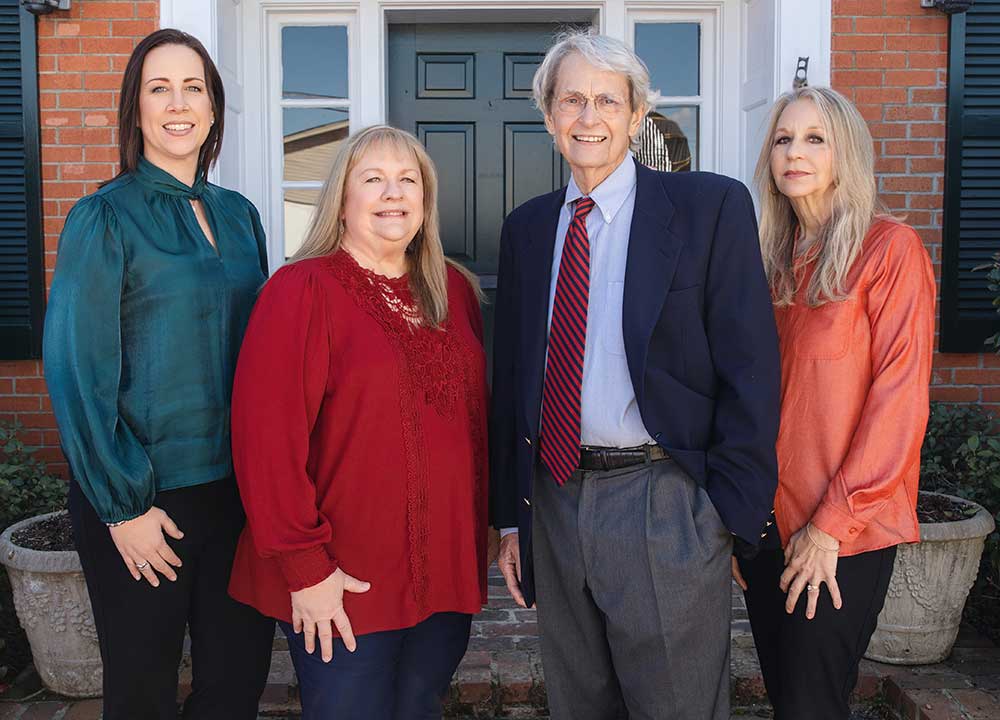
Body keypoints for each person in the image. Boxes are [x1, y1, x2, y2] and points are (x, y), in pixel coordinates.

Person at [489, 31, 781, 720]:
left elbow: (752, 367)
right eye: (571, 101)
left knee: (675, 706)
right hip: (555, 498)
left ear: (636, 114)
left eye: (606, 101)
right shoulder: (528, 229)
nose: (588, 117)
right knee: (578, 701)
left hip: (665, 501)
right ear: (549, 116)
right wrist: (509, 518)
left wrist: (727, 517)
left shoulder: (708, 210)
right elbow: (513, 382)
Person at [43, 29, 275, 720]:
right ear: (135, 109)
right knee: (142, 694)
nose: (179, 103)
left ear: (213, 108)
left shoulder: (241, 217)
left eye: (193, 86)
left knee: (235, 687)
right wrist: (124, 506)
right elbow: (75, 370)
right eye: (159, 87)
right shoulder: (103, 217)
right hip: (143, 500)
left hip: (235, 498)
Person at [227, 125, 492, 720]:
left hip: (444, 572)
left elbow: (475, 428)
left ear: (425, 200)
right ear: (342, 202)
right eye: (372, 179)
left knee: (419, 708)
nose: (392, 193)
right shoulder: (301, 290)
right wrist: (305, 569)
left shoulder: (454, 290)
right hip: (345, 578)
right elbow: (265, 442)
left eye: (408, 180)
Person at [734, 86, 935, 720]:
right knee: (787, 696)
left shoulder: (889, 250)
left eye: (815, 138)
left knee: (811, 704)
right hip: (767, 525)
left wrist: (829, 527)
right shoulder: (765, 264)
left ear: (846, 151)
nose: (795, 152)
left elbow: (898, 401)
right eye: (783, 139)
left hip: (842, 529)